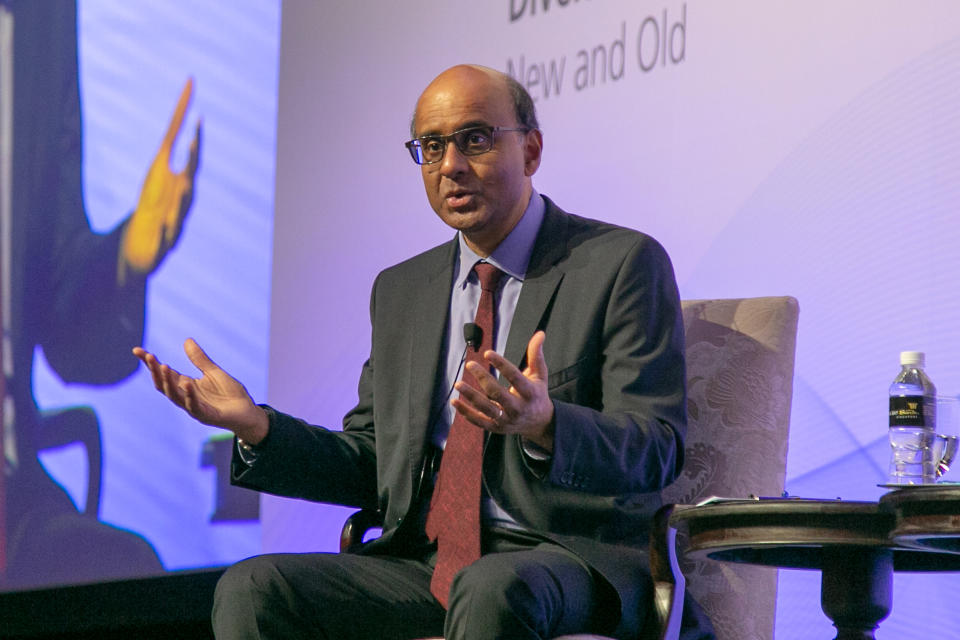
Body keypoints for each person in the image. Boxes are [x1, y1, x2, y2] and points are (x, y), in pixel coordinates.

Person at [134, 64, 714, 640]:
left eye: (476, 140)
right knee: (253, 589)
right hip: (427, 564)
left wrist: (547, 425)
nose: (452, 166)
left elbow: (658, 447)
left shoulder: (619, 264)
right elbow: (373, 463)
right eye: (432, 147)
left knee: (490, 588)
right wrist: (260, 428)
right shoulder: (402, 291)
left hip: (565, 559)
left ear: (531, 151)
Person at [1, 0, 200, 588]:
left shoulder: (41, 16)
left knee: (128, 576)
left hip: (14, 497)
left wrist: (124, 258)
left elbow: (60, 318)